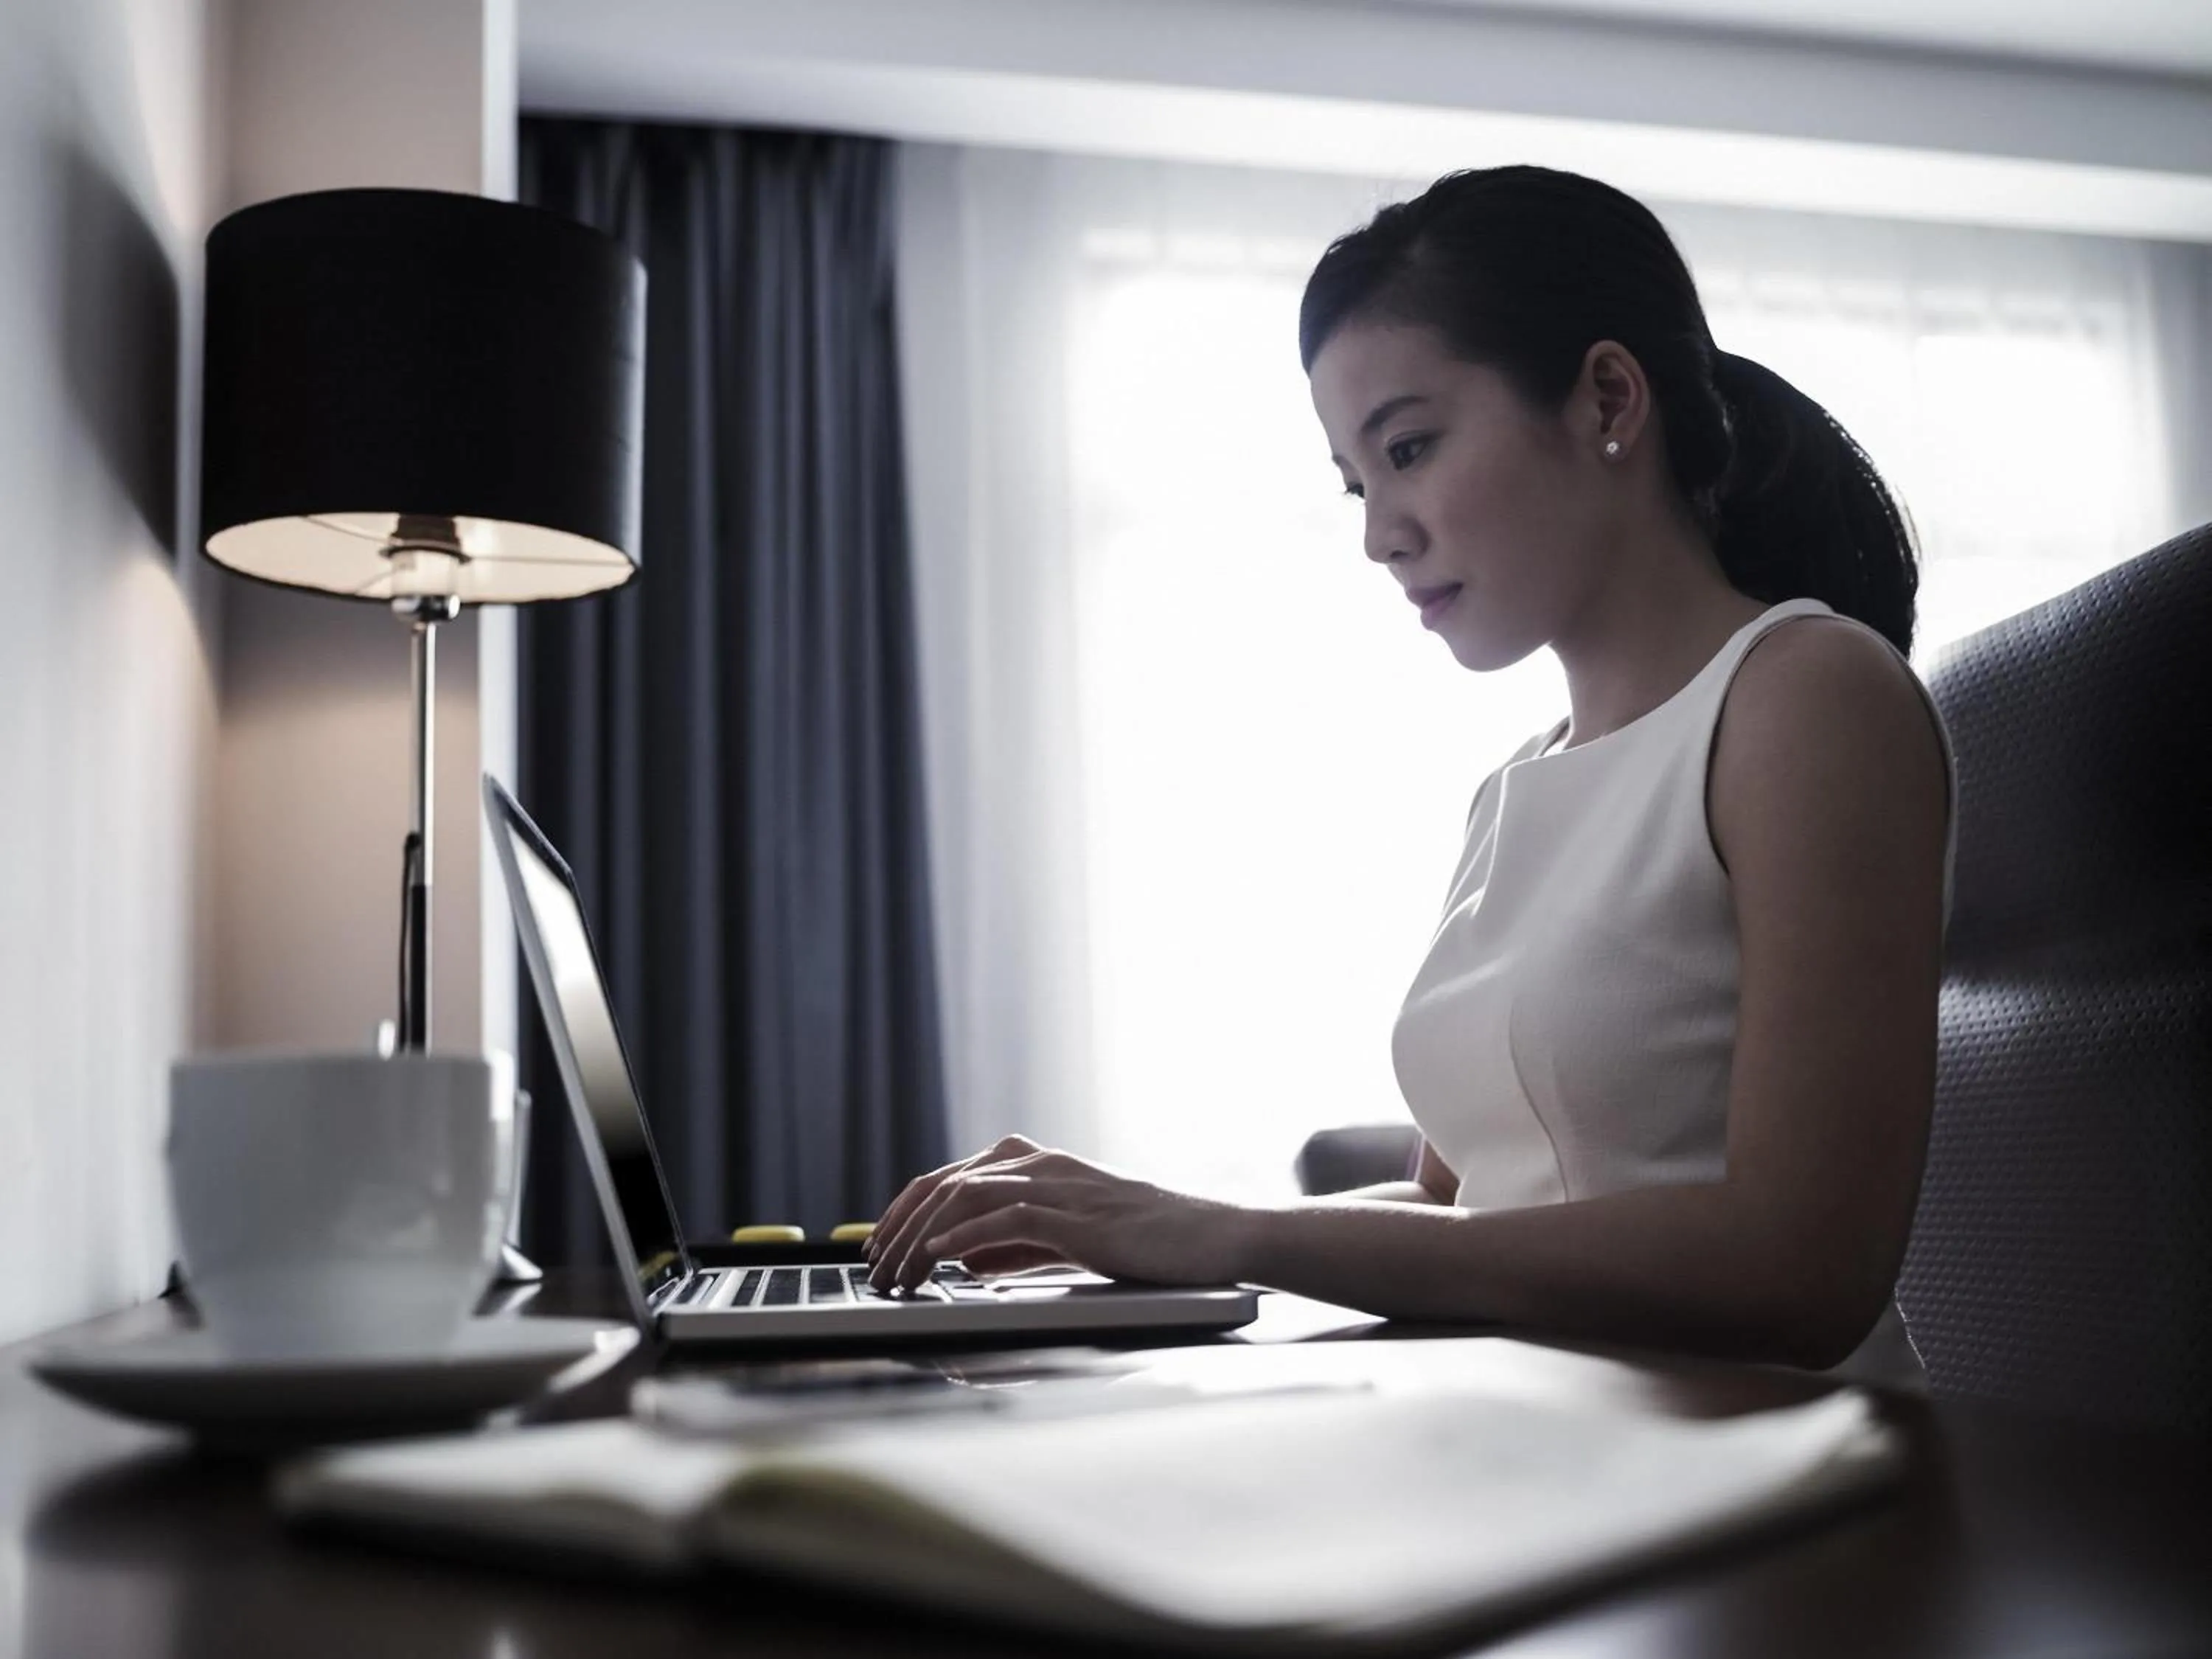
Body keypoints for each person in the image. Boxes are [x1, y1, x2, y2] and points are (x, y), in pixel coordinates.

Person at [866, 164, 1955, 1388]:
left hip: (1780, 1464)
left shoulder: (1811, 695)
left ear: (1607, 398)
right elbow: (1457, 1211)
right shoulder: (1517, 785)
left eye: (1411, 448)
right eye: (1358, 480)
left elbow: (1800, 1266)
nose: (1380, 531)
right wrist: (1132, 1228)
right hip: (1540, 1429)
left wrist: (1229, 1235)